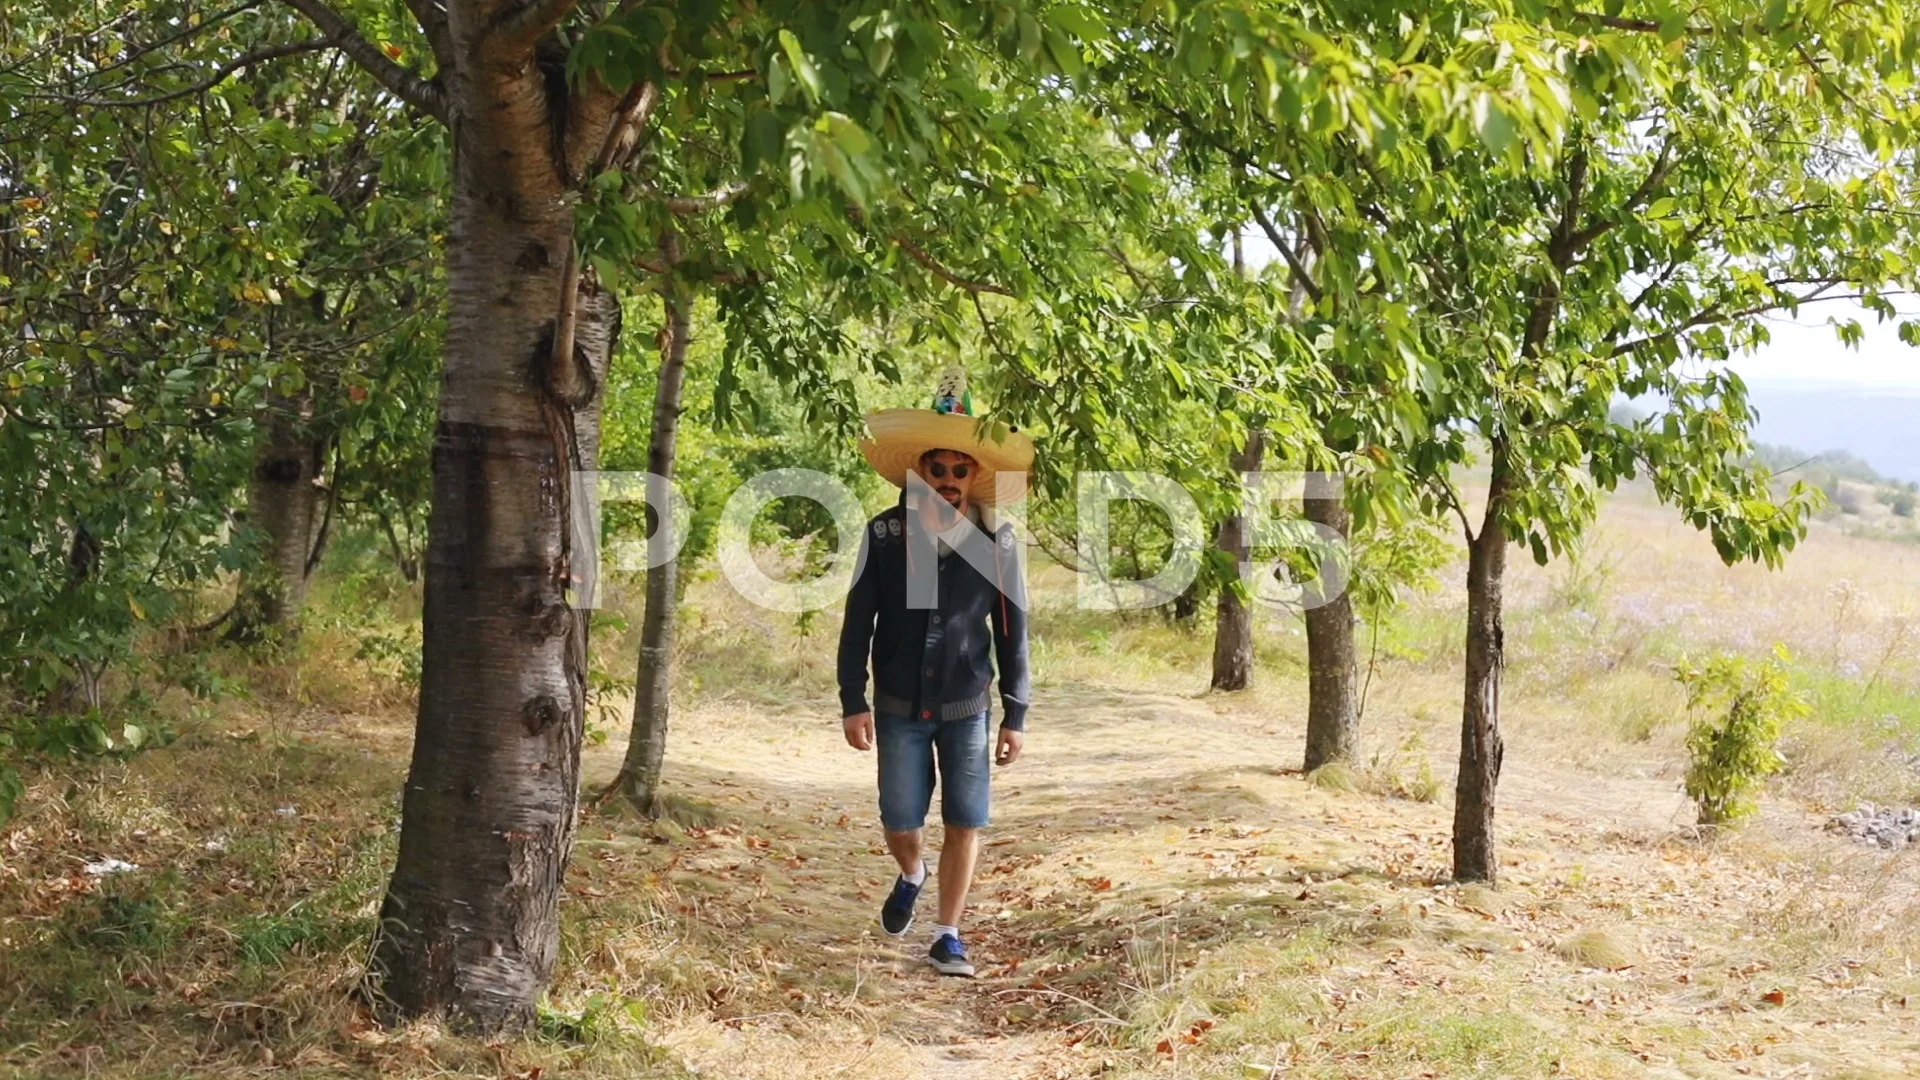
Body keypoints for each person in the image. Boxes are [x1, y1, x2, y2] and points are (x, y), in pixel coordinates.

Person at [837, 368, 1033, 977]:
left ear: (975, 475)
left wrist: (1015, 711)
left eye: (959, 470)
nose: (947, 481)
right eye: (937, 469)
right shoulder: (888, 533)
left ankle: (948, 932)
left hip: (967, 706)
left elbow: (1012, 631)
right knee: (900, 818)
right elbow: (858, 619)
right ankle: (911, 873)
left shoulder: (996, 543)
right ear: (920, 471)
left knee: (965, 819)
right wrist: (853, 697)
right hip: (896, 704)